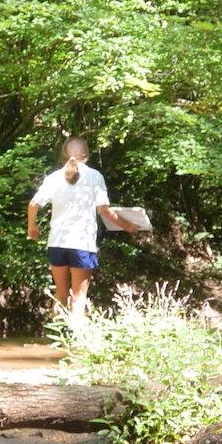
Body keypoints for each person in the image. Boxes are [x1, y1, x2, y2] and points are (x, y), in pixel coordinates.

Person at [26, 136, 136, 317]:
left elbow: (33, 204)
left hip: (57, 243)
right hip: (81, 244)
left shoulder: (53, 178)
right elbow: (103, 210)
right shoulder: (95, 176)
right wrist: (128, 226)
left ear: (64, 154)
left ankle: (55, 339)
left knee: (60, 295)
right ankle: (76, 343)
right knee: (79, 297)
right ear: (86, 154)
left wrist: (32, 227)